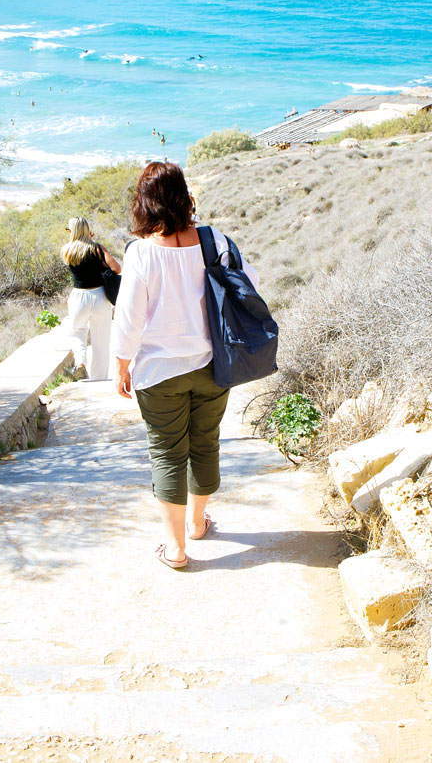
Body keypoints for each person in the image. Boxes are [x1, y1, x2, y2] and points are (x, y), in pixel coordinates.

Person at [112, 162, 259, 570]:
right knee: (205, 444)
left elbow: (129, 319)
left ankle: (176, 549)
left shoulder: (140, 253)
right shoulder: (217, 241)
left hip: (159, 374)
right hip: (214, 365)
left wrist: (122, 366)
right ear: (184, 195)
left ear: (144, 202)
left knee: (167, 454)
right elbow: (251, 285)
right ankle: (197, 523)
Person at [61, 217, 121, 380]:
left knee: (76, 331)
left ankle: (80, 363)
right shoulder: (97, 249)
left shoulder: (67, 250)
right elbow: (116, 268)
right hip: (100, 296)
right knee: (101, 340)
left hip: (79, 296)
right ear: (87, 230)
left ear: (72, 231)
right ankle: (99, 378)